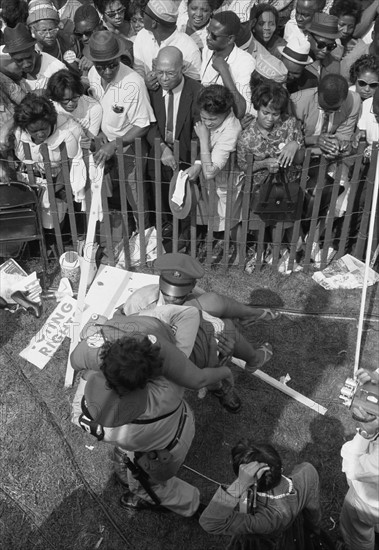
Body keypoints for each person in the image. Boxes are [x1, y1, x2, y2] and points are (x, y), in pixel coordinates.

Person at [70, 304, 240, 513]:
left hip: (158, 452)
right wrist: (223, 371)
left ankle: (189, 506)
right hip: (180, 428)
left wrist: (91, 366)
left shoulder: (114, 432)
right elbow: (186, 370)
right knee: (136, 461)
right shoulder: (167, 390)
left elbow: (79, 409)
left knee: (147, 485)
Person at [122, 252, 277, 367]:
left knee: (217, 307)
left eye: (178, 296)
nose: (171, 299)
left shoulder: (194, 295)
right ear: (160, 282)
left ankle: (249, 315)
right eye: (167, 293)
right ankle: (249, 362)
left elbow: (214, 309)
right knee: (227, 327)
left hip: (187, 339)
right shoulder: (140, 302)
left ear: (191, 288)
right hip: (162, 352)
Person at [199, 439, 322, 549]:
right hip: (295, 528)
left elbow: (209, 522)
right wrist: (314, 530)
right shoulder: (308, 471)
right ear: (279, 467)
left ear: (250, 481)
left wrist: (240, 485)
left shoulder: (265, 519)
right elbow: (313, 510)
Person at [85, 31, 155, 221]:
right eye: (101, 67)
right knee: (108, 192)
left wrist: (115, 144)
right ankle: (123, 230)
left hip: (129, 148)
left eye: (112, 65)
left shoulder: (134, 83)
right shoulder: (92, 74)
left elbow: (143, 125)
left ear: (119, 58)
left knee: (135, 196)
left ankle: (145, 234)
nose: (107, 72)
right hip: (103, 144)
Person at [146, 46, 202, 229]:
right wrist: (162, 147)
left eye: (170, 73)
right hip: (159, 155)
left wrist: (197, 162)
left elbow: (200, 130)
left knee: (185, 203)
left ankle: (186, 236)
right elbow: (148, 123)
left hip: (187, 155)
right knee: (160, 200)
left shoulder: (196, 91)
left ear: (182, 68)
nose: (163, 78)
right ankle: (164, 235)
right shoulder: (152, 89)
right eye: (159, 72)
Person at [183, 84, 242, 234]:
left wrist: (203, 138)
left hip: (227, 184)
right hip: (213, 186)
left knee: (232, 223)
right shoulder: (210, 115)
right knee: (218, 221)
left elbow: (209, 172)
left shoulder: (231, 131)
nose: (207, 123)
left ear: (227, 111)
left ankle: (238, 255)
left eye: (212, 119)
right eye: (204, 118)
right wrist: (198, 163)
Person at [12, 94, 86, 214]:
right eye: (34, 131)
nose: (40, 135)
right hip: (27, 183)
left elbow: (74, 163)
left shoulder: (71, 129)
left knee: (56, 217)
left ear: (50, 121)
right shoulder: (18, 133)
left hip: (60, 183)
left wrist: (54, 190)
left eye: (44, 128)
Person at [237, 81, 304, 201]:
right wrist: (264, 163)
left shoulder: (290, 124)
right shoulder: (246, 137)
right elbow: (243, 166)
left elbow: (300, 160)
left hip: (289, 193)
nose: (270, 119)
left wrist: (295, 145)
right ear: (257, 107)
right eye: (265, 113)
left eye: (275, 114)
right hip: (260, 196)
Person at [339, 367, 379, 550]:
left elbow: (353, 467)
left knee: (357, 531)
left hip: (369, 501)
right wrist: (375, 379)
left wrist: (365, 433)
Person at [133, 0, 202, 88]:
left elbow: (194, 86)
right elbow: (139, 67)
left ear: (154, 23)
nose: (143, 17)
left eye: (144, 13)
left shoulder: (190, 50)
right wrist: (144, 82)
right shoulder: (142, 35)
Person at [200, 11, 256, 118]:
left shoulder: (246, 62)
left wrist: (224, 72)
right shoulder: (207, 50)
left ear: (230, 39)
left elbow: (240, 111)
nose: (208, 38)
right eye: (208, 32)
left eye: (214, 36)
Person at [290, 74, 360, 159]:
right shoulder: (297, 103)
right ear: (317, 93)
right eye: (323, 107)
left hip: (330, 158)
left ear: (344, 100)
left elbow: (344, 134)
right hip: (301, 155)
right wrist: (315, 139)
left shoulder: (352, 101)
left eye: (334, 109)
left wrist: (337, 145)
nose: (327, 112)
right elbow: (293, 141)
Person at [1, 23, 66, 93]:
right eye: (19, 60)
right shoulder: (6, 66)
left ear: (33, 48)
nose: (26, 64)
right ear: (11, 56)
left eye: (28, 57)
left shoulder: (57, 69)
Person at [46, 69, 103, 148]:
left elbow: (90, 138)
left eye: (75, 98)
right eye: (66, 100)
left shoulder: (94, 107)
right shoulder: (50, 107)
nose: (71, 103)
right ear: (56, 98)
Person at [26, 0, 80, 68]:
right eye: (43, 31)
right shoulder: (28, 53)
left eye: (51, 30)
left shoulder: (69, 42)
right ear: (32, 31)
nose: (49, 35)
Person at [329, 0, 364, 81]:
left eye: (351, 27)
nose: (345, 30)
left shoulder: (356, 45)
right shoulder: (326, 40)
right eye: (341, 25)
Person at [92, 0, 134, 66]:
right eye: (111, 14)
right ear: (102, 13)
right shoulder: (102, 35)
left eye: (120, 10)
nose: (117, 16)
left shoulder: (135, 23)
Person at [305, 13, 341, 80]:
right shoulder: (293, 55)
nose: (325, 50)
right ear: (309, 36)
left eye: (330, 46)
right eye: (321, 44)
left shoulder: (333, 66)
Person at [73, 4, 104, 77]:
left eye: (88, 33)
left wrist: (97, 60)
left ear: (100, 25)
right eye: (79, 34)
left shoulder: (118, 44)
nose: (84, 38)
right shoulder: (75, 45)